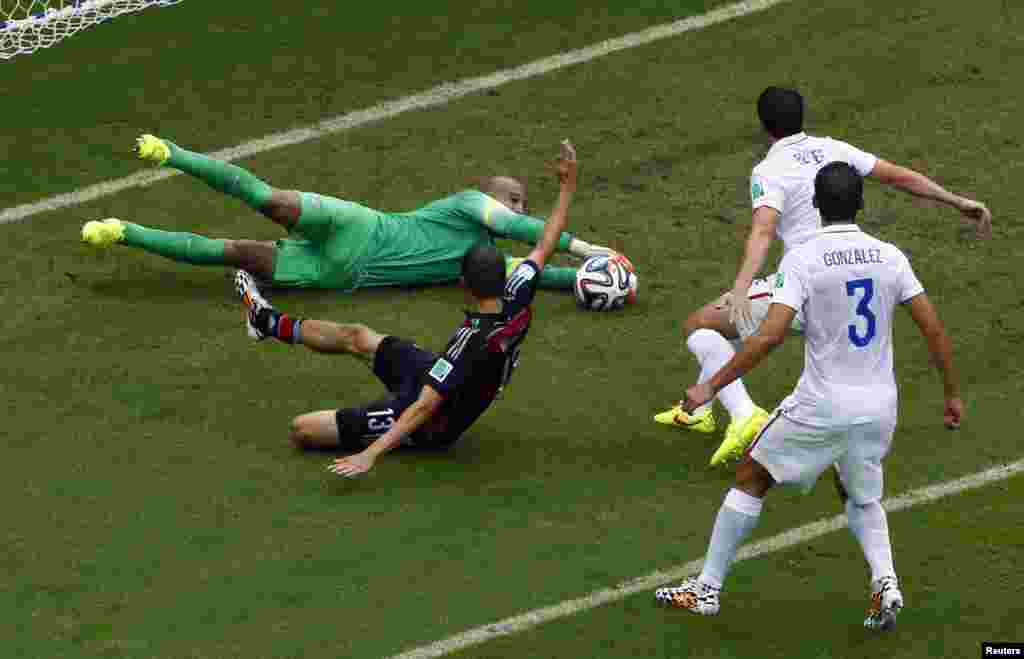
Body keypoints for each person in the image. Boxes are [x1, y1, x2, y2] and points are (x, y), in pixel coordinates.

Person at [654, 163, 963, 631]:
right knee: (860, 495)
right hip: (879, 407)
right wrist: (952, 394)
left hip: (822, 404)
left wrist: (710, 386)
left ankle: (706, 589)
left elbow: (771, 335)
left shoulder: (804, 258)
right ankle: (887, 581)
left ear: (816, 206)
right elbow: (932, 326)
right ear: (861, 203)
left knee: (751, 476)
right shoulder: (890, 256)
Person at [655, 86, 989, 466]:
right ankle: (700, 411)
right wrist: (957, 201)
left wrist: (741, 287)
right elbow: (900, 177)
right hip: (850, 293)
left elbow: (763, 230)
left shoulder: (768, 170)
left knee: (701, 327)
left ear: (765, 126)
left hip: (803, 288)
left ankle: (745, 415)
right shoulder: (836, 150)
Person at [232, 140, 579, 478]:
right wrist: (567, 185)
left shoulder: (469, 342)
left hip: (435, 422)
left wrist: (371, 454)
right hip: (444, 380)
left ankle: (389, 436)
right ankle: (267, 322)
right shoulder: (518, 291)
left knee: (302, 430)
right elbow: (545, 243)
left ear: (466, 285)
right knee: (357, 336)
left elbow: (425, 405)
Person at [80, 134, 623, 294]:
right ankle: (171, 153)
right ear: (487, 195)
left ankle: (124, 232)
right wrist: (582, 246)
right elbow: (524, 232)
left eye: (522, 201)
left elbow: (535, 274)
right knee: (268, 199)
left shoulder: (480, 265)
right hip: (360, 225)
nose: (517, 206)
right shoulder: (468, 207)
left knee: (234, 254)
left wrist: (594, 280)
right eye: (512, 197)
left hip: (344, 273)